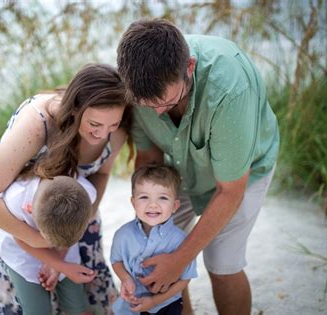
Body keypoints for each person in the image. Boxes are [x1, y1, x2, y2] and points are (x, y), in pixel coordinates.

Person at [116, 19, 279, 315]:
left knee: (221, 262)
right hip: (178, 167)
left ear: (189, 67)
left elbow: (229, 191)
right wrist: (150, 226)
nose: (158, 112)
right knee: (157, 251)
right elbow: (150, 161)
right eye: (146, 105)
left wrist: (180, 259)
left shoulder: (230, 91)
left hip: (243, 170)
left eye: (166, 101)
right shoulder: (136, 85)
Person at [0, 63, 131, 314]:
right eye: (95, 124)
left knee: (83, 303)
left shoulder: (116, 131)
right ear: (75, 108)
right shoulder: (38, 123)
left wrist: (65, 246)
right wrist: (44, 244)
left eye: (112, 125)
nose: (102, 135)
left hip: (76, 221)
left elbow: (102, 174)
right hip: (26, 223)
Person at [0, 175, 95, 314]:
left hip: (66, 253)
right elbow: (20, 238)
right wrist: (61, 266)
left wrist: (58, 262)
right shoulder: (15, 200)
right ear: (30, 209)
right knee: (37, 311)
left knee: (79, 308)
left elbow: (66, 239)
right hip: (22, 253)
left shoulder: (86, 192)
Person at [110, 164, 197, 315]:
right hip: (131, 304)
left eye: (163, 198)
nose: (153, 204)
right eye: (144, 197)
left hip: (167, 305)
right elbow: (116, 261)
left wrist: (155, 301)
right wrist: (125, 279)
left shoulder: (181, 240)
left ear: (175, 205)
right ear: (133, 202)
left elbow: (185, 279)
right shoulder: (123, 234)